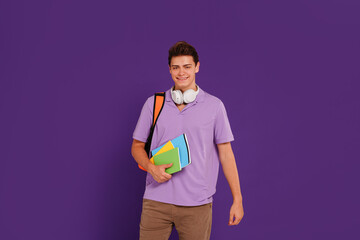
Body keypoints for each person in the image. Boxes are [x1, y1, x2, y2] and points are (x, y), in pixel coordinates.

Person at [131, 41, 244, 240]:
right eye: (176, 67)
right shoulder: (154, 104)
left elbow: (226, 154)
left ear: (197, 67)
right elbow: (137, 147)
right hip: (156, 202)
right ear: (169, 69)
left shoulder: (214, 106)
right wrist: (151, 168)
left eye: (187, 67)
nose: (181, 72)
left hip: (197, 204)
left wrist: (238, 199)